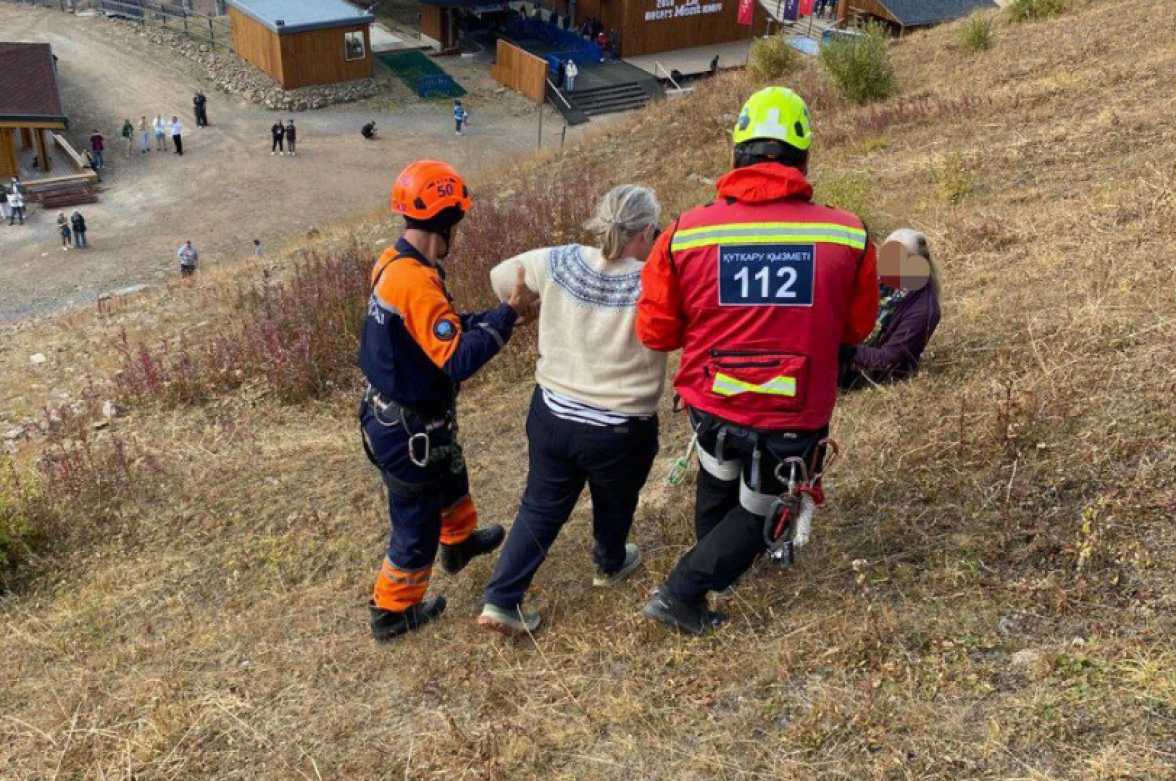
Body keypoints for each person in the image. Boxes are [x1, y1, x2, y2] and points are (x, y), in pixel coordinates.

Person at [635, 87, 879, 636]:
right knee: (766, 509)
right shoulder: (845, 232)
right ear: (803, 158)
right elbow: (856, 327)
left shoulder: (685, 233)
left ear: (737, 154)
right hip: (794, 411)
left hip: (712, 400)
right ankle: (683, 592)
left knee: (718, 474)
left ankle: (711, 569)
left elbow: (656, 330)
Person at [358, 160, 540, 642]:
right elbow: (457, 359)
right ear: (446, 225)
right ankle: (392, 610)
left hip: (408, 417)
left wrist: (496, 319)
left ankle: (458, 543)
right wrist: (503, 320)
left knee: (451, 474)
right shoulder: (415, 281)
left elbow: (440, 327)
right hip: (406, 429)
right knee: (415, 524)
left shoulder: (397, 263)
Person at [478, 185, 667, 636]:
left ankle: (502, 600)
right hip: (619, 425)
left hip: (552, 413)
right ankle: (609, 561)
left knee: (540, 507)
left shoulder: (560, 259)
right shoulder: (653, 278)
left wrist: (528, 303)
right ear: (645, 232)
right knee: (616, 497)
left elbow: (502, 276)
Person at [839, 228, 941, 389]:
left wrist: (842, 350)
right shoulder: (880, 279)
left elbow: (889, 361)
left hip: (864, 375)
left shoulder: (923, 310)